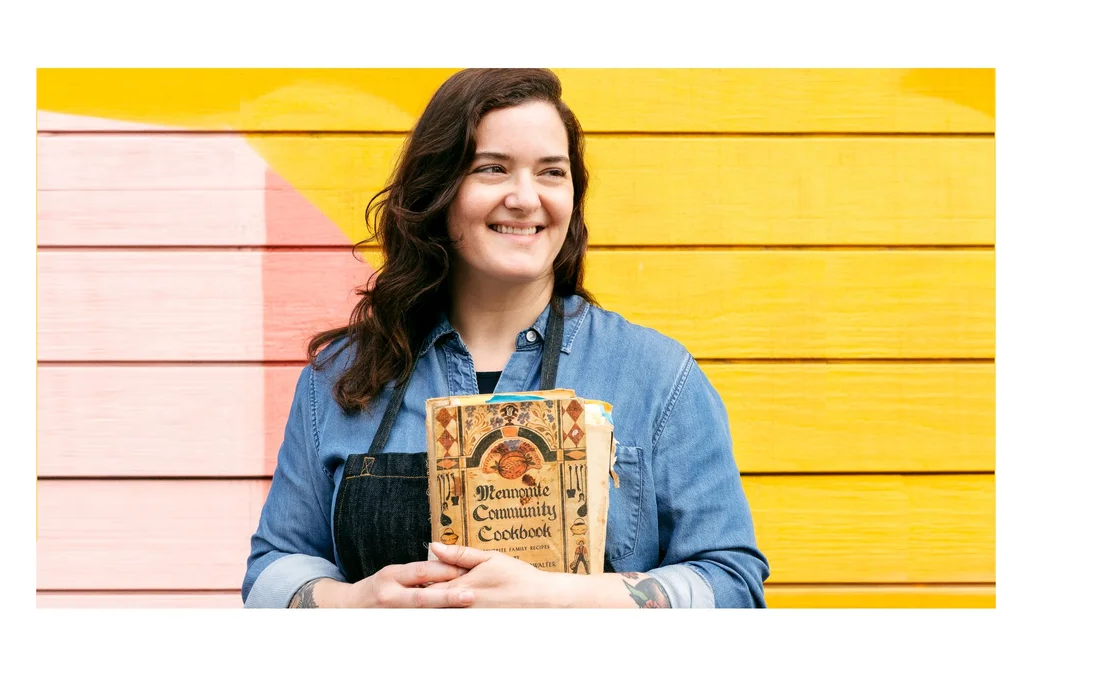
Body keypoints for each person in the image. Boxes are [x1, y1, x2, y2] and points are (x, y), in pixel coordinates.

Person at [242, 68, 769, 608]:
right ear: (438, 190)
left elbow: (734, 587)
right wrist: (353, 604)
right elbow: (270, 574)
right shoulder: (339, 377)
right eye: (492, 169)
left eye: (551, 172)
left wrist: (559, 599)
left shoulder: (659, 377)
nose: (524, 197)